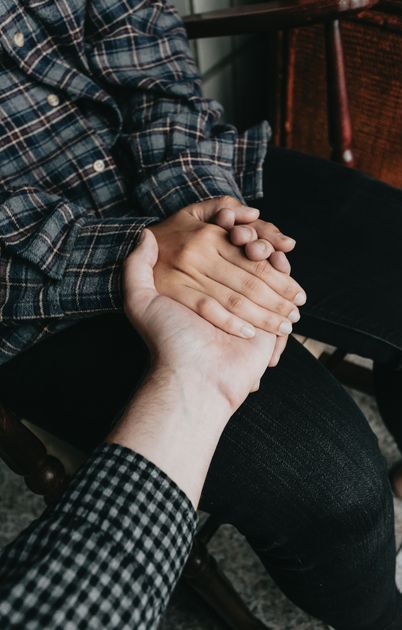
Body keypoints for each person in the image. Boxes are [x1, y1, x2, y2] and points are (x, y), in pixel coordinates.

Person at [0, 1, 402, 628]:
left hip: (164, 173)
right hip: (34, 286)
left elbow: (143, 40)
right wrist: (138, 256)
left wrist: (203, 205)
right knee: (329, 483)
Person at [0, 229, 279, 628]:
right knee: (333, 486)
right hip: (56, 310)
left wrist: (220, 226)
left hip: (184, 241)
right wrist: (140, 247)